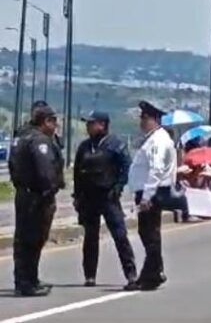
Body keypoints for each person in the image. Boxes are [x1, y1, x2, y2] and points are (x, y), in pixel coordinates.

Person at [73, 110, 136, 288]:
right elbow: (77, 173)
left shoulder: (115, 144)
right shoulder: (84, 147)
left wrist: (118, 187)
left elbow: (126, 167)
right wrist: (77, 196)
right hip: (89, 198)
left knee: (120, 236)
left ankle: (131, 274)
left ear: (102, 124)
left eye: (91, 123)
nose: (88, 127)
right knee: (90, 237)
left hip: (108, 197)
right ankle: (90, 275)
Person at [10, 103, 64, 296]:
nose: (55, 126)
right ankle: (28, 282)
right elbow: (45, 171)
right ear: (46, 121)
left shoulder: (21, 136)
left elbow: (12, 165)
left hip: (23, 193)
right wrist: (51, 189)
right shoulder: (39, 140)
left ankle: (26, 279)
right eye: (53, 122)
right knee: (33, 239)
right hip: (37, 196)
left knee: (23, 239)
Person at [128, 100, 177, 291]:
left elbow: (156, 170)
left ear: (155, 119)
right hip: (150, 190)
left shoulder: (158, 140)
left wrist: (146, 197)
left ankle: (151, 275)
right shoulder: (154, 138)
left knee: (149, 234)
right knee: (149, 233)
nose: (142, 121)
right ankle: (156, 271)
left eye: (145, 118)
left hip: (152, 192)